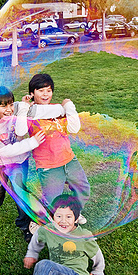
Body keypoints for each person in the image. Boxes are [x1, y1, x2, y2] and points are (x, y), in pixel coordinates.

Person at [17, 73, 90, 223]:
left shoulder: (57, 110)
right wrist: (23, 109)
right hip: (48, 165)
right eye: (40, 90)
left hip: (69, 159)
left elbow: (74, 128)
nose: (45, 94)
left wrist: (69, 106)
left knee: (83, 189)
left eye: (48, 90)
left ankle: (73, 214)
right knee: (53, 201)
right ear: (32, 93)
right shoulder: (30, 113)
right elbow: (20, 132)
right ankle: (44, 224)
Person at [0, 86, 46, 242]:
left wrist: (24, 103)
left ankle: (25, 225)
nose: (9, 109)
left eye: (10, 104)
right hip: (0, 163)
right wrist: (32, 142)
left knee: (20, 192)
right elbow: (3, 151)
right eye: (3, 105)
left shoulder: (15, 107)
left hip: (19, 162)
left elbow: (23, 109)